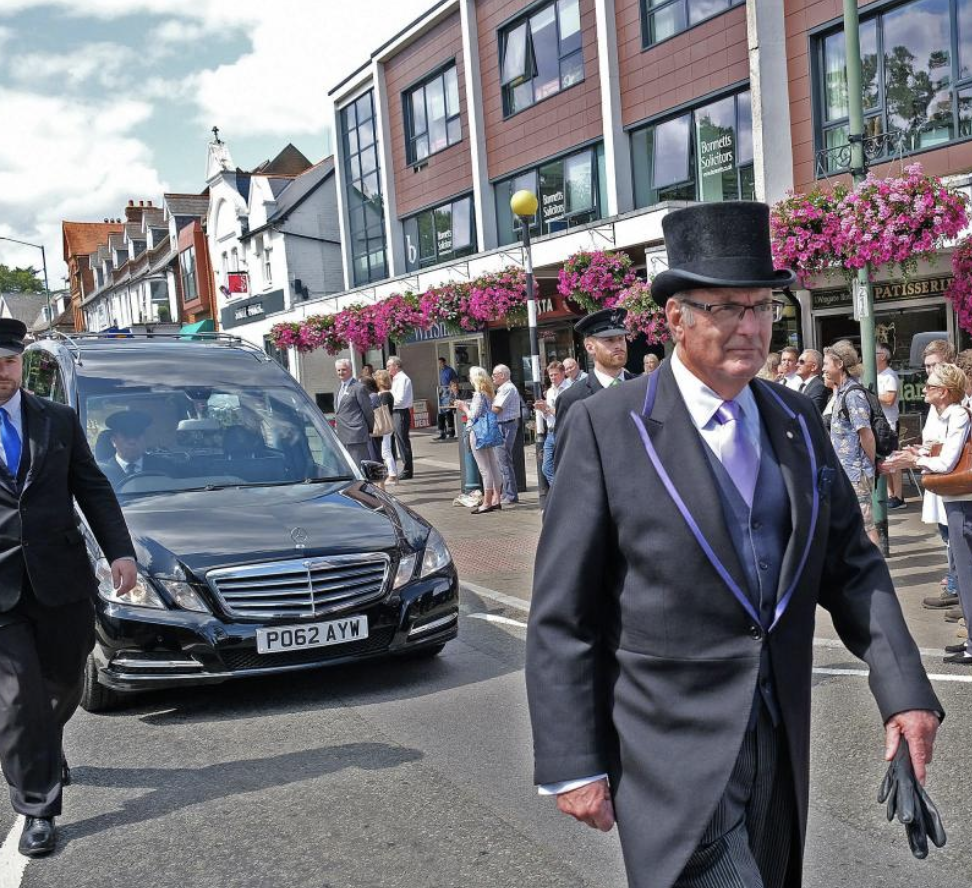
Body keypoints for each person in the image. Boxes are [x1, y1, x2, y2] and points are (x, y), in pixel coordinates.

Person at [526, 201, 941, 888]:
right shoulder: (606, 428)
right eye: (725, 308)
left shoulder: (796, 419)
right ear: (674, 318)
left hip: (779, 743)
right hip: (671, 754)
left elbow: (852, 563)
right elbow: (562, 611)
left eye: (761, 307)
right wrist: (573, 760)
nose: (749, 326)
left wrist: (903, 688)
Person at [0, 319, 136, 857]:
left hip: (61, 578)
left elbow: (92, 485)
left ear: (22, 364)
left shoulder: (56, 419)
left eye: (7, 363)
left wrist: (121, 549)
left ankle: (42, 746)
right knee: (17, 699)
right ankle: (37, 807)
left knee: (65, 679)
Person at [883, 363, 972, 662]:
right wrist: (918, 455)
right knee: (964, 571)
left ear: (944, 391)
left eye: (930, 386)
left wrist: (914, 461)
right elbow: (944, 453)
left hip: (963, 500)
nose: (924, 389)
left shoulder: (957, 414)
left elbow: (946, 462)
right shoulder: (949, 414)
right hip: (956, 500)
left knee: (967, 571)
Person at [823, 341, 880, 546]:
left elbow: (866, 434)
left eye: (826, 363)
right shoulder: (840, 392)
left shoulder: (853, 394)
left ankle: (877, 571)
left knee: (866, 523)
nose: (823, 368)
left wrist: (869, 464)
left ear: (839, 364)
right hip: (846, 470)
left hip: (856, 471)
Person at [918, 339, 960, 611]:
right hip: (937, 474)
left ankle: (958, 587)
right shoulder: (936, 401)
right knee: (947, 535)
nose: (929, 371)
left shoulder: (956, 405)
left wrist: (919, 457)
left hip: (950, 476)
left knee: (955, 536)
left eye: (935, 365)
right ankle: (955, 583)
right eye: (927, 366)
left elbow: (948, 450)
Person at [554, 308, 633, 440]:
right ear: (590, 347)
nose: (619, 345)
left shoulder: (645, 387)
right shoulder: (571, 399)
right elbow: (567, 456)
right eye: (610, 340)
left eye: (621, 338)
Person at [457, 366, 504, 514]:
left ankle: (487, 502)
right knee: (492, 465)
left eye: (471, 377)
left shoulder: (478, 394)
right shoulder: (489, 393)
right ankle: (497, 499)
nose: (470, 379)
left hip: (478, 433)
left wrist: (464, 407)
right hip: (487, 431)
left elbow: (473, 415)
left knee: (485, 469)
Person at [97, 410, 171, 488]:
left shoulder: (163, 467)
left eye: (137, 435)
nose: (132, 441)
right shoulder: (100, 473)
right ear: (113, 441)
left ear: (145, 439)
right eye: (126, 436)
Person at [333, 358, 374, 467]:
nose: (341, 372)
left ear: (350, 370)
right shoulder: (339, 388)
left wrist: (370, 428)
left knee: (360, 467)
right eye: (338, 370)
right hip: (342, 434)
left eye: (344, 370)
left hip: (356, 434)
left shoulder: (358, 388)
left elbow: (368, 410)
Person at [876, 346, 904, 509]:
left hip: (890, 422)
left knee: (893, 459)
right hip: (880, 422)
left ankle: (899, 496)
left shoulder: (890, 375)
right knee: (884, 459)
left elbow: (890, 399)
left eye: (876, 353)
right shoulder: (875, 375)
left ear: (883, 357)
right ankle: (890, 494)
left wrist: (871, 395)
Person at [491, 364, 522, 506]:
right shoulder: (502, 389)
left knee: (504, 461)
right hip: (503, 424)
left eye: (494, 375)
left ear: (502, 375)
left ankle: (510, 495)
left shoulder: (508, 388)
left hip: (506, 425)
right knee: (501, 461)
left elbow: (496, 409)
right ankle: (507, 493)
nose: (492, 377)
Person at [534, 361, 567, 485]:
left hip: (563, 431)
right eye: (551, 375)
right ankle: (559, 494)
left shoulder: (569, 389)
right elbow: (548, 414)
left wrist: (548, 409)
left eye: (555, 374)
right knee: (546, 467)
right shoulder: (550, 392)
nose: (553, 378)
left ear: (563, 373)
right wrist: (543, 409)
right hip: (551, 432)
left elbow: (566, 412)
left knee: (564, 465)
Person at [386, 356, 414, 480]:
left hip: (400, 411)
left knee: (403, 441)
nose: (387, 369)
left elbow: (401, 399)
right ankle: (397, 467)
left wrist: (388, 402)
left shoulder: (402, 379)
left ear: (396, 366)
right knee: (397, 440)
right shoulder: (396, 379)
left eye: (389, 366)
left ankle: (407, 469)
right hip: (395, 411)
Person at [372, 370, 397, 487]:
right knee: (385, 451)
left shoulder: (385, 395)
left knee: (385, 451)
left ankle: (392, 475)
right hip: (386, 426)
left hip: (384, 426)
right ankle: (392, 474)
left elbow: (382, 411)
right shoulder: (386, 394)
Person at [796, 348, 828, 413]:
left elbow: (812, 413)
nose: (797, 365)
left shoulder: (818, 387)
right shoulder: (803, 386)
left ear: (813, 367)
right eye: (797, 361)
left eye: (801, 362)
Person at [436, 357, 459, 442]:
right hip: (443, 393)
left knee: (448, 411)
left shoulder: (450, 370)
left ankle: (451, 431)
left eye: (441, 363)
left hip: (449, 393)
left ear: (444, 362)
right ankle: (442, 432)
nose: (440, 365)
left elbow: (455, 381)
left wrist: (453, 392)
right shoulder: (441, 371)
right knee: (440, 412)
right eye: (439, 363)